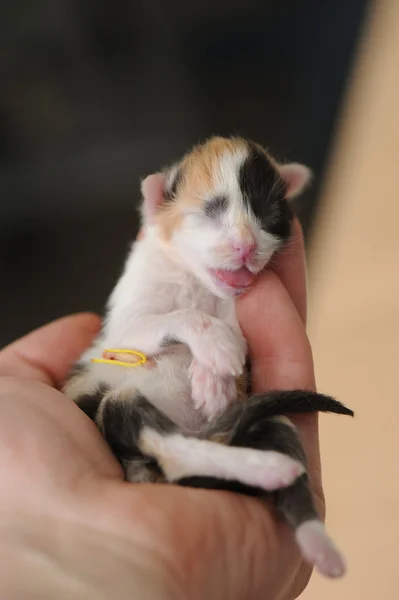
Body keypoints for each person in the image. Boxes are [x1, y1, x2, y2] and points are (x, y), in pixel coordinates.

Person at [0, 221, 323, 599]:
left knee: (274, 424)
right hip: (142, 439)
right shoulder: (145, 309)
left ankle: (304, 526)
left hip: (170, 440)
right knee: (125, 406)